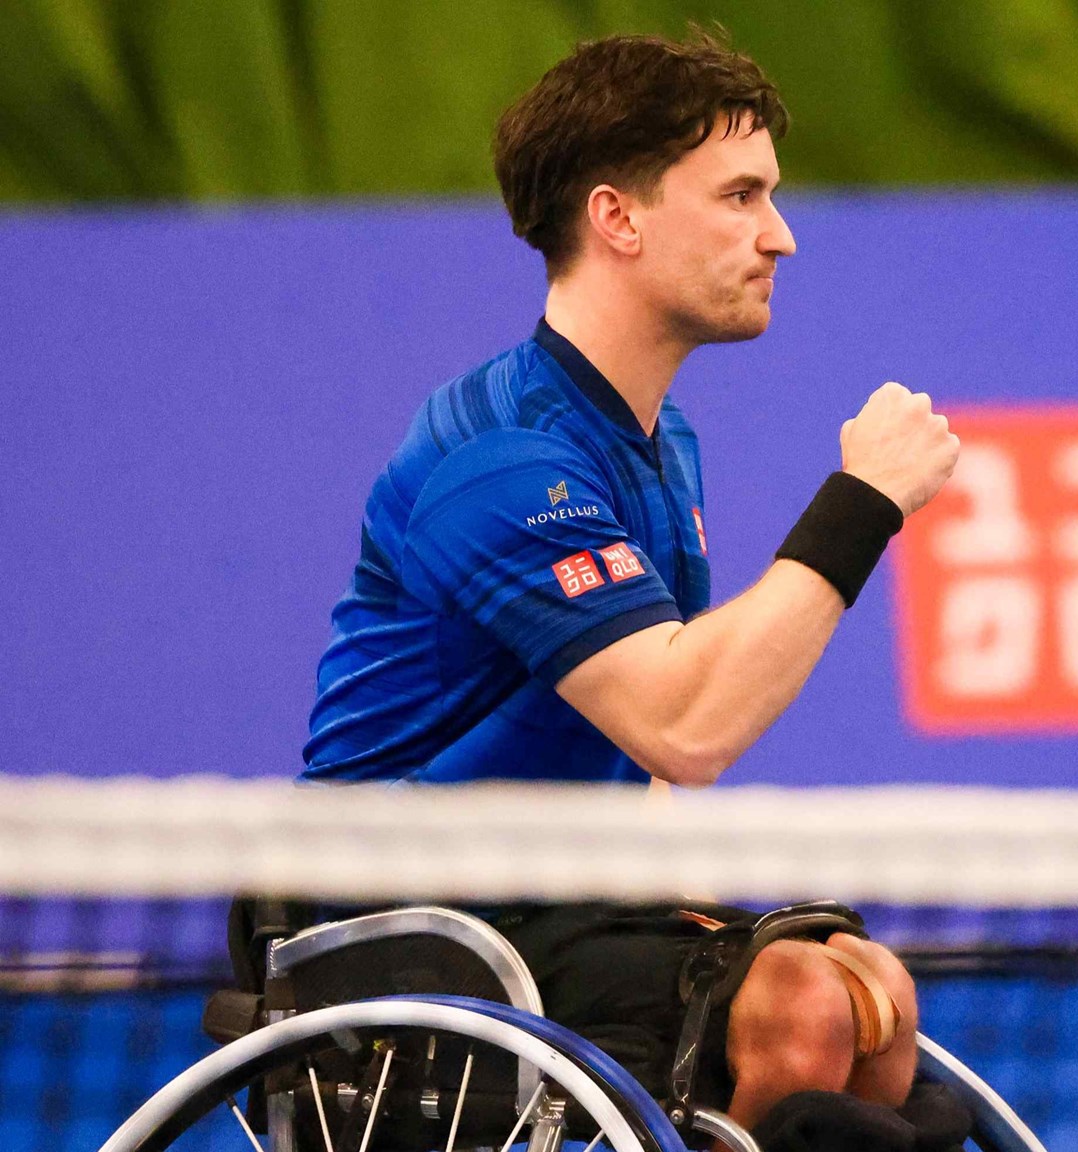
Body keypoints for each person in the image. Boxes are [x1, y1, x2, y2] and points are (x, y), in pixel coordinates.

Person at [298, 28, 960, 1133]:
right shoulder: (502, 461)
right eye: (740, 197)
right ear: (618, 218)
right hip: (410, 922)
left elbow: (656, 763)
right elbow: (682, 725)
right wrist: (864, 504)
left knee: (868, 995)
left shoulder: (662, 444)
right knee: (802, 1009)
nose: (780, 237)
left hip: (564, 897)